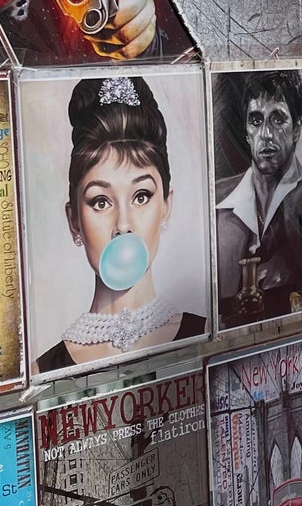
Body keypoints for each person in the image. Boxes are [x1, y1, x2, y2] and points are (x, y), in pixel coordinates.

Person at [38, 75, 206, 371]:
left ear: (166, 206)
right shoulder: (45, 368)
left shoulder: (205, 334)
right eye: (101, 202)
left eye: (141, 196)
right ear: (74, 220)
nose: (123, 225)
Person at [215, 70, 302, 324]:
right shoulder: (218, 201)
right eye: (256, 120)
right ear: (245, 131)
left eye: (278, 119)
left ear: (297, 128)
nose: (265, 134)